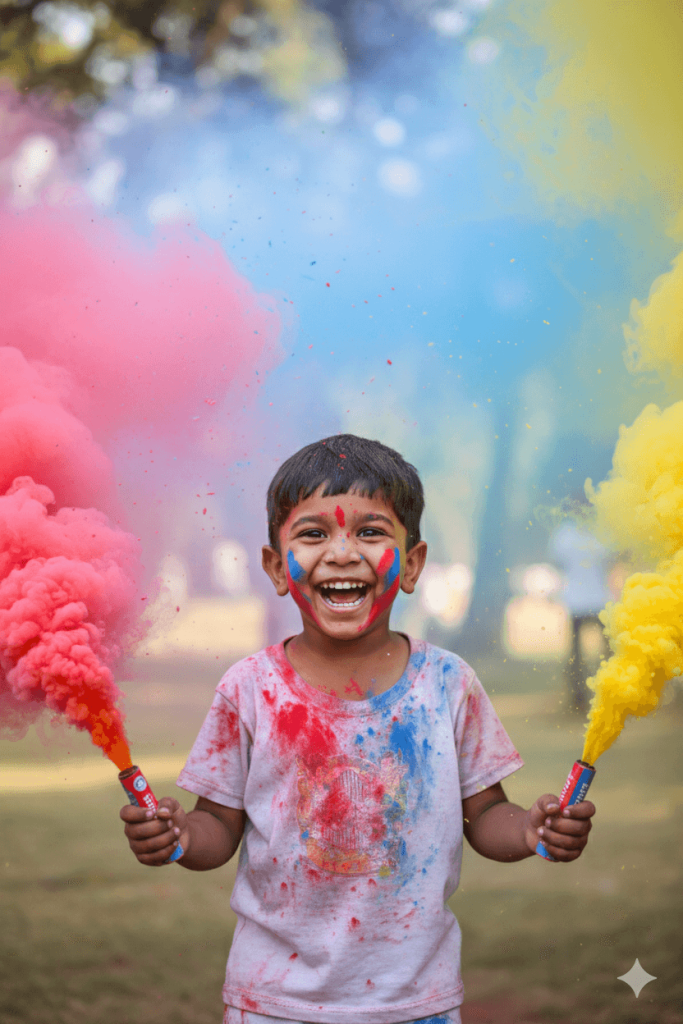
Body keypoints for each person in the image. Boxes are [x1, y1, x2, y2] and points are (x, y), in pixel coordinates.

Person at [121, 435, 595, 1024]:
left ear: (414, 563)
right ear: (275, 566)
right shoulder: (249, 689)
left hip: (416, 1004)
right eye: (313, 534)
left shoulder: (448, 684)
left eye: (371, 532)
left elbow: (485, 815)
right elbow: (218, 825)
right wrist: (179, 837)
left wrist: (529, 828)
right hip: (275, 1002)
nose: (342, 554)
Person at [548, 510, 611, 713]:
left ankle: (579, 696)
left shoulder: (565, 535)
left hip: (577, 600)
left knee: (577, 653)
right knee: (605, 651)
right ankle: (606, 692)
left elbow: (556, 562)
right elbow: (612, 559)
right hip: (597, 598)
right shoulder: (600, 533)